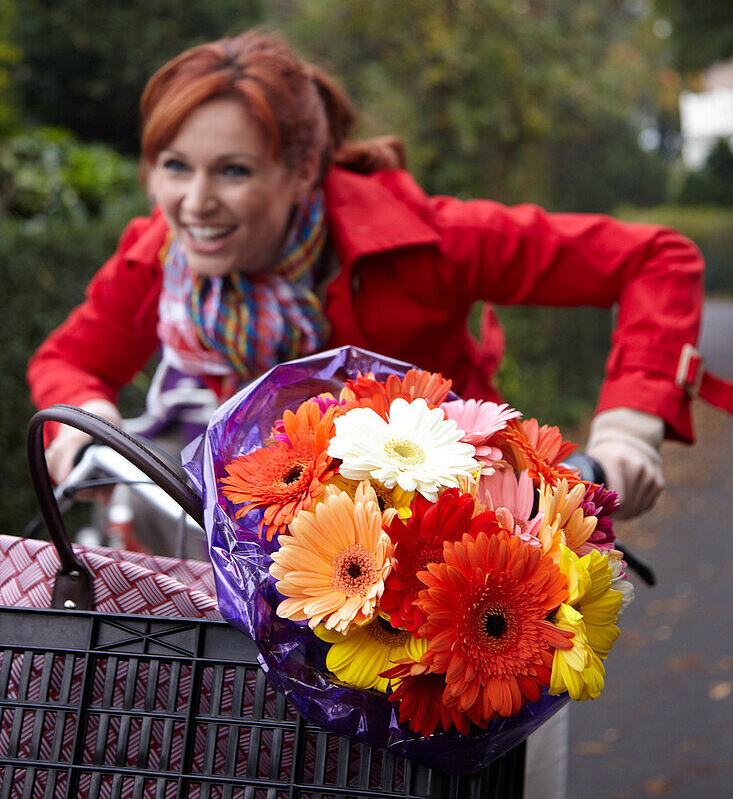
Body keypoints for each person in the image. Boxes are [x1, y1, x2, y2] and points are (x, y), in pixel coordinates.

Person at [29, 29, 704, 520]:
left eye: (232, 170)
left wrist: (626, 428)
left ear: (299, 172)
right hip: (243, 555)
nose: (194, 202)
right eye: (175, 166)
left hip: (449, 548)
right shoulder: (157, 255)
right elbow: (70, 361)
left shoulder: (419, 245)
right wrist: (86, 424)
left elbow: (654, 258)